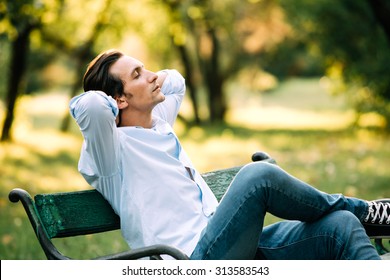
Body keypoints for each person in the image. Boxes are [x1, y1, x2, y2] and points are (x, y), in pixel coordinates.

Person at [69, 49, 390, 260]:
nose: (152, 75)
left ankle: (356, 215)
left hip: (230, 245)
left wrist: (141, 81)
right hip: (190, 262)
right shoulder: (111, 154)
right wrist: (114, 98)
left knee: (340, 226)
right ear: (119, 99)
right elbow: (90, 107)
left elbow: (177, 81)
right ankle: (367, 210)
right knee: (257, 176)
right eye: (138, 74)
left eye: (145, 68)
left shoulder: (158, 123)